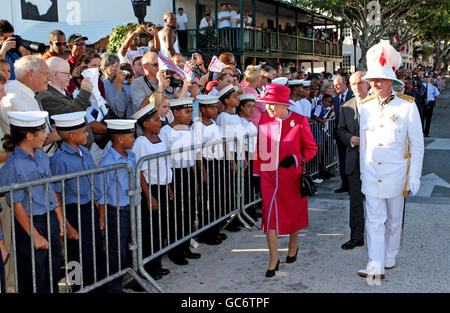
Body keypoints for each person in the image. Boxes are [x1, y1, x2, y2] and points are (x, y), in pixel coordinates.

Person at [358, 40, 424, 279]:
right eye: (373, 79)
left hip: (397, 173)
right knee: (374, 219)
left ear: (392, 81)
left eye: (380, 79)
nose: (375, 84)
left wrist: (414, 174)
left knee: (394, 220)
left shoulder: (407, 106)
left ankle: (390, 254)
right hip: (373, 172)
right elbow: (364, 143)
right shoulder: (365, 105)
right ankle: (375, 262)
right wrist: (363, 170)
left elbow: (416, 144)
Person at [253, 83, 317, 277]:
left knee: (293, 214)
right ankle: (273, 260)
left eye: (273, 104)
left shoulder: (299, 121)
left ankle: (293, 245)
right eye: (267, 104)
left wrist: (296, 158)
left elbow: (311, 149)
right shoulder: (264, 120)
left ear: (284, 105)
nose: (269, 108)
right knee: (269, 217)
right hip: (268, 177)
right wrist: (256, 175)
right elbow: (259, 150)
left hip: (292, 178)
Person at [0, 111, 63, 293]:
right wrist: (34, 235)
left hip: (48, 216)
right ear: (29, 135)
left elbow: (49, 188)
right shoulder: (14, 165)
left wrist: (58, 217)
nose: (45, 136)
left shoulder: (42, 156)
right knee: (33, 273)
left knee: (52, 266)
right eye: (42, 132)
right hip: (30, 222)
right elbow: (17, 204)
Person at [49, 111, 107, 291]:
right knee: (77, 254)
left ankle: (97, 285)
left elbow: (94, 184)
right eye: (84, 131)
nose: (87, 134)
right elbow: (56, 194)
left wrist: (100, 212)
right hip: (73, 211)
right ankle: (79, 287)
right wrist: (66, 224)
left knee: (95, 250)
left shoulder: (85, 153)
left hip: (89, 207)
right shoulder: (59, 160)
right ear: (72, 135)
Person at [131, 104, 172, 280]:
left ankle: (157, 264)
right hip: (151, 189)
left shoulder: (159, 139)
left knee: (159, 229)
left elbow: (164, 165)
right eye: (156, 120)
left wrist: (169, 186)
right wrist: (149, 196)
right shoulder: (141, 143)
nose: (160, 122)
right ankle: (148, 267)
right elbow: (140, 171)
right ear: (146, 124)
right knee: (149, 231)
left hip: (162, 186)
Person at [159, 97, 201, 265]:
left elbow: (191, 157)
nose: (189, 115)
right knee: (176, 212)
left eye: (191, 111)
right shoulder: (166, 132)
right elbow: (165, 159)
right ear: (175, 112)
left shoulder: (188, 129)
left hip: (187, 172)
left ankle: (185, 246)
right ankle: (175, 250)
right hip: (173, 173)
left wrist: (195, 179)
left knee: (189, 211)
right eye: (186, 111)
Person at [97, 119, 137, 293]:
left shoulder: (132, 155)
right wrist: (102, 216)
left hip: (131, 207)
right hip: (116, 210)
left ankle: (130, 277)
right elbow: (101, 192)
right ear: (120, 139)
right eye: (131, 135)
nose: (134, 138)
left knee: (131, 246)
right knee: (116, 250)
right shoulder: (108, 162)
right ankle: (114, 285)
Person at [0, 55, 60, 155]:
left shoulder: (21, 91)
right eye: (46, 74)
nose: (49, 78)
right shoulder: (16, 100)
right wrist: (58, 134)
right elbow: (28, 142)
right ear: (31, 73)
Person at [337, 71, 369, 250]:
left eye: (361, 83)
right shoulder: (345, 106)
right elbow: (340, 129)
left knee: (376, 200)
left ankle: (377, 235)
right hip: (354, 159)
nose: (357, 86)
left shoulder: (377, 105)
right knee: (355, 200)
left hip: (375, 161)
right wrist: (350, 138)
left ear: (368, 84)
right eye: (354, 84)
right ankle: (356, 236)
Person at [36, 57, 95, 150]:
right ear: (54, 75)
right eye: (67, 74)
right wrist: (84, 93)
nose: (70, 77)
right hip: (70, 153)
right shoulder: (46, 96)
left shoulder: (61, 92)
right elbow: (71, 116)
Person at [192, 95, 226, 245]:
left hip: (216, 162)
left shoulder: (213, 124)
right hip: (206, 164)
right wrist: (203, 170)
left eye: (215, 107)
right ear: (202, 110)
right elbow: (197, 150)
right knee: (206, 201)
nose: (215, 110)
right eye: (211, 108)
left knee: (216, 199)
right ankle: (206, 234)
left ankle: (215, 230)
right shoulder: (198, 126)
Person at [216, 84, 245, 232]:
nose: (237, 98)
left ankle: (236, 216)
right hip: (229, 156)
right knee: (229, 189)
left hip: (237, 154)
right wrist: (231, 161)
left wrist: (243, 156)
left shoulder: (235, 116)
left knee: (237, 188)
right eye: (234, 97)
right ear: (226, 100)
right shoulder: (223, 117)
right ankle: (228, 219)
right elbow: (226, 140)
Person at [332, 75, 354, 193]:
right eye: (334, 85)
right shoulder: (336, 99)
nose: (336, 87)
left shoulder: (353, 96)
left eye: (338, 84)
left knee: (352, 161)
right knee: (342, 160)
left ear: (344, 83)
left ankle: (353, 186)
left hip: (351, 135)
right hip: (340, 135)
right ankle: (344, 184)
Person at [100, 53, 132, 119]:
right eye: (112, 67)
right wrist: (118, 85)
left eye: (117, 66)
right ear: (103, 70)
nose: (116, 70)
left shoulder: (124, 81)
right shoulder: (105, 84)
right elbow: (119, 111)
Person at [421, 72, 440, 137]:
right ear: (423, 78)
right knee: (421, 119)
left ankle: (426, 133)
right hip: (422, 104)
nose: (427, 79)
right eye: (425, 78)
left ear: (430, 78)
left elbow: (437, 95)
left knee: (428, 119)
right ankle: (421, 132)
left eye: (428, 77)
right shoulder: (420, 86)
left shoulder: (433, 86)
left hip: (430, 104)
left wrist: (431, 100)